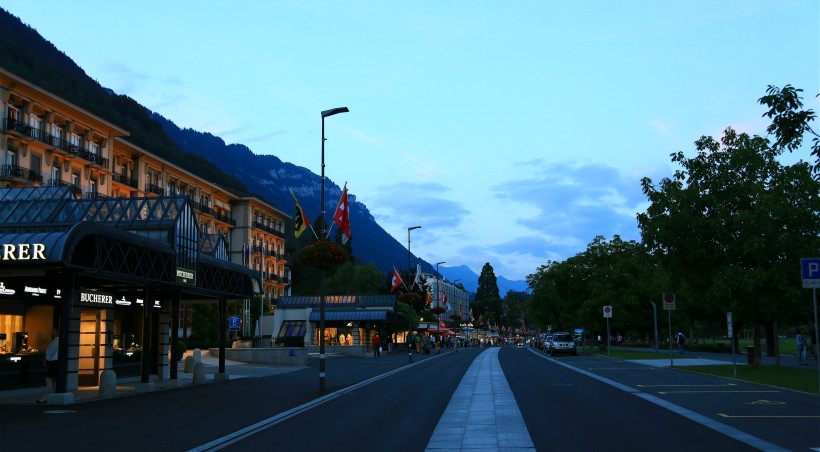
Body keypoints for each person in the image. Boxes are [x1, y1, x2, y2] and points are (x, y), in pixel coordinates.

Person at [37, 327, 59, 404]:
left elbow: (51, 352)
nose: (51, 332)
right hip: (54, 362)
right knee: (53, 380)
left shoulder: (56, 341)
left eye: (53, 330)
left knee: (49, 379)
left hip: (53, 362)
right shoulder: (56, 341)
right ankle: (52, 396)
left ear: (56, 331)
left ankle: (46, 397)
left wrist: (46, 359)